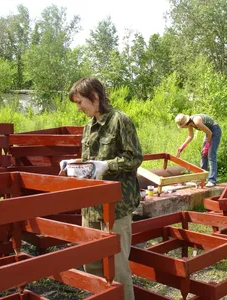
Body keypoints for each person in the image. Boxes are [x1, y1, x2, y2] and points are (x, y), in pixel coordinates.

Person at [60, 77, 143, 300]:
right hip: (90, 207)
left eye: (79, 102)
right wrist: (74, 164)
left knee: (117, 267)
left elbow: (134, 158)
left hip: (116, 207)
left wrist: (107, 166)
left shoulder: (120, 121)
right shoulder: (89, 126)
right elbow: (91, 161)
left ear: (94, 97)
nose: (78, 108)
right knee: (92, 264)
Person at [175, 113, 222, 187]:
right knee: (203, 154)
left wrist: (206, 147)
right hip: (208, 132)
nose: (182, 127)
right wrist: (182, 147)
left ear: (185, 123)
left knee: (211, 155)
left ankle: (212, 180)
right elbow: (190, 136)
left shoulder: (196, 121)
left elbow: (210, 133)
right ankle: (201, 178)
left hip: (215, 130)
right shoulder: (190, 124)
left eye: (182, 126)